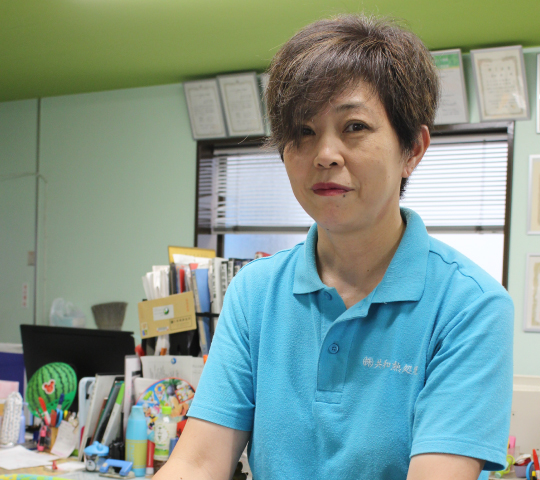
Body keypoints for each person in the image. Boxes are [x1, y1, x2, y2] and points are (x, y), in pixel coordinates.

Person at [155, 14, 514, 480]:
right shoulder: (255, 292)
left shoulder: (470, 306)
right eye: (304, 131)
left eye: (354, 126)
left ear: (412, 149)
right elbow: (198, 462)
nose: (324, 154)